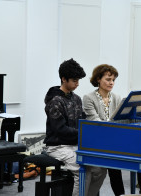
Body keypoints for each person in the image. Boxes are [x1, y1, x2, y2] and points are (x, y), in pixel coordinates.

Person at [43, 58, 86, 196]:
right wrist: (83, 134)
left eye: (78, 80)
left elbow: (83, 121)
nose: (77, 84)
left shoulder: (77, 99)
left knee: (96, 167)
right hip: (57, 146)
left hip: (74, 144)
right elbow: (60, 130)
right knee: (81, 170)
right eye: (74, 80)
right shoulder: (55, 101)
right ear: (63, 79)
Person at [83, 64, 125, 196]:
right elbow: (95, 122)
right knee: (98, 174)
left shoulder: (117, 98)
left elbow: (120, 121)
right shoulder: (88, 98)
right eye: (108, 79)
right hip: (96, 142)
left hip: (112, 142)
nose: (111, 82)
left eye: (113, 80)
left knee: (116, 172)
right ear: (98, 80)